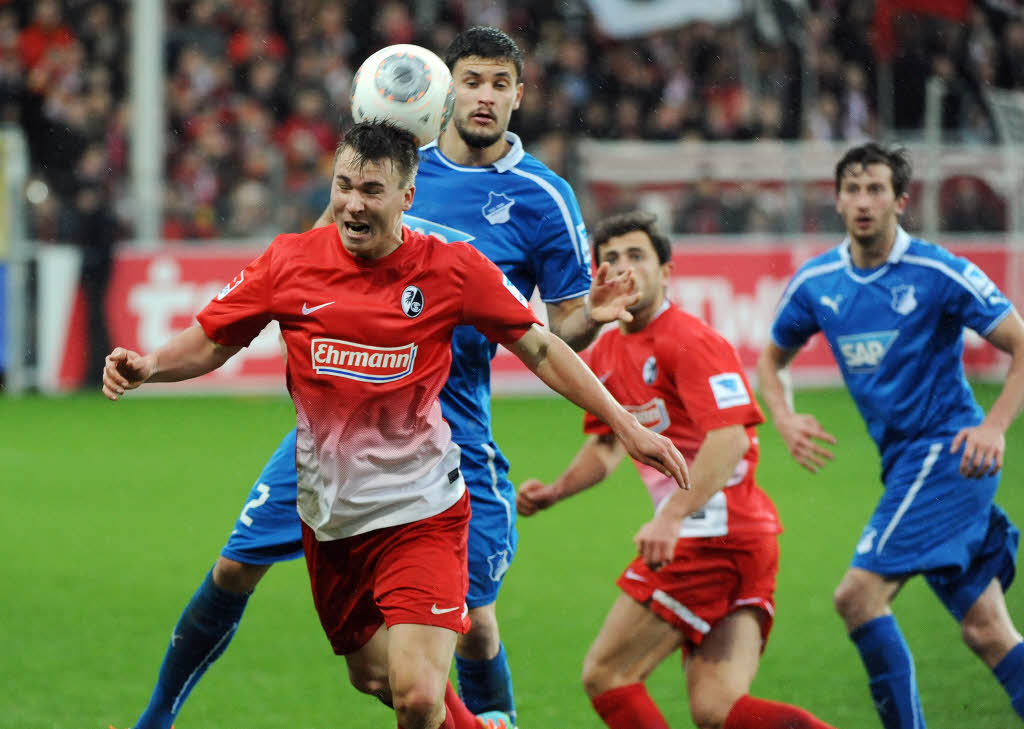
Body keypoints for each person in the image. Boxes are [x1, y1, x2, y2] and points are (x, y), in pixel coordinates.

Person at [117, 27, 627, 729]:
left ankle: (493, 717)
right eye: (471, 81)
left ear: (518, 95)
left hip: (449, 423)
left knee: (473, 625)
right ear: (446, 90)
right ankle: (154, 719)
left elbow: (552, 333)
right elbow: (324, 245)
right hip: (340, 420)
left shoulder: (543, 196)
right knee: (239, 568)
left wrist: (593, 318)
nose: (484, 96)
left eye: (499, 84)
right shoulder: (394, 160)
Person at [516, 211, 838, 729]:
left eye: (637, 256)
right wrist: (555, 492)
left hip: (713, 535)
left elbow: (730, 437)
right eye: (611, 258)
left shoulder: (689, 339)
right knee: (717, 709)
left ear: (666, 271)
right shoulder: (611, 351)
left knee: (607, 674)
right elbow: (604, 448)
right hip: (741, 539)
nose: (623, 268)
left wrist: (672, 516)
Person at [757, 142, 1024, 727]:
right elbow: (771, 361)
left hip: (950, 455)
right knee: (987, 631)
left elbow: (1021, 344)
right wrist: (785, 416)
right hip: (903, 465)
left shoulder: (938, 271)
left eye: (876, 189)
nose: (863, 201)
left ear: (901, 200)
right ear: (837, 199)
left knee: (856, 597)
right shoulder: (818, 282)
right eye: (852, 188)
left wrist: (995, 425)